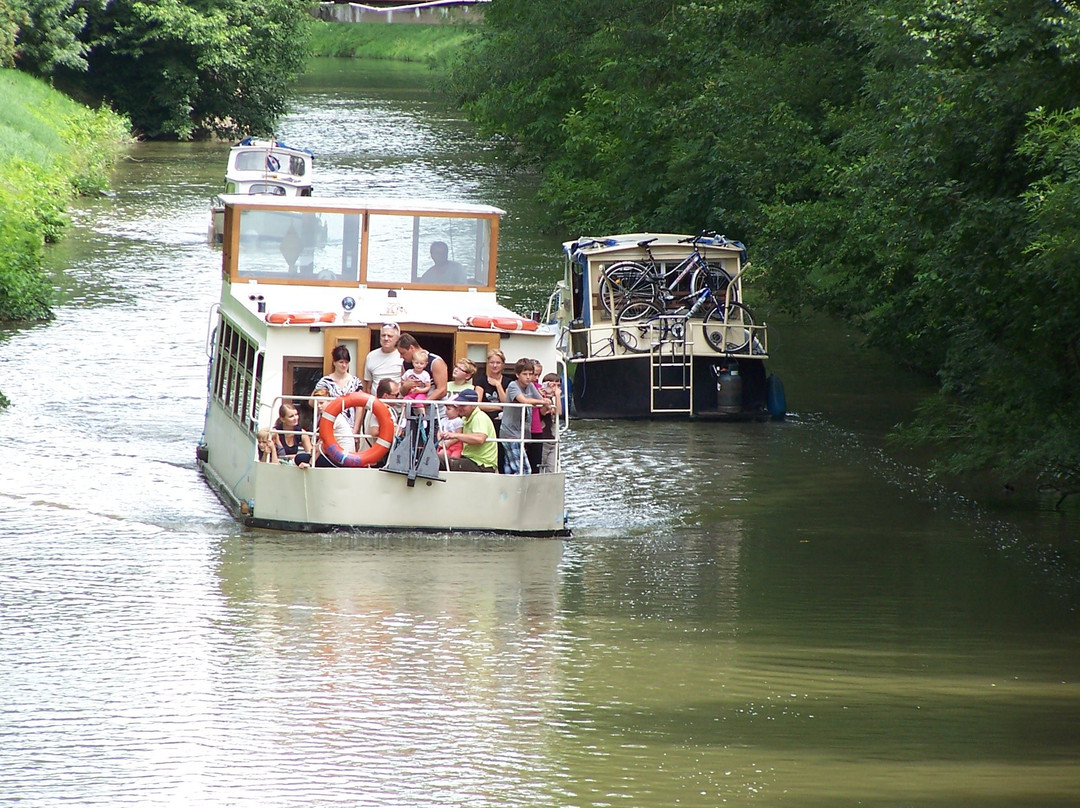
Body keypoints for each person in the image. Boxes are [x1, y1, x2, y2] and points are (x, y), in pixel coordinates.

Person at [499, 357, 550, 475]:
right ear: (517, 374)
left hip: (522, 433)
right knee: (524, 469)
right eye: (525, 374)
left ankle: (510, 490)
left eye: (530, 374)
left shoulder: (531, 386)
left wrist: (546, 403)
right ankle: (520, 491)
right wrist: (543, 402)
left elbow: (540, 401)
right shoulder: (513, 386)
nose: (528, 377)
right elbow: (524, 400)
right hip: (510, 433)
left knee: (511, 467)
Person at [437, 389, 498, 472]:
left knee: (437, 459)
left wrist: (455, 435)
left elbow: (480, 439)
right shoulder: (466, 418)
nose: (459, 407)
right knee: (437, 459)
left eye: (463, 405)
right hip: (473, 460)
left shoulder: (479, 417)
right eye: (459, 404)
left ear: (473, 405)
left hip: (481, 464)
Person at [474, 349, 508, 468]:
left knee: (501, 449)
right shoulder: (481, 380)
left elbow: (506, 403)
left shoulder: (508, 381)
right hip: (486, 421)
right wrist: (499, 407)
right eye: (492, 362)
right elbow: (477, 404)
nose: (495, 365)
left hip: (503, 422)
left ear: (503, 364)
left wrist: (498, 385)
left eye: (498, 362)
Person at [397, 333, 448, 405]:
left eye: (403, 353)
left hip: (436, 412)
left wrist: (422, 403)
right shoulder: (405, 364)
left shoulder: (435, 362)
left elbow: (442, 390)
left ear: (411, 348)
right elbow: (402, 392)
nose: (401, 356)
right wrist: (405, 386)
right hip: (413, 412)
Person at [362, 322, 402, 394]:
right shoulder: (371, 356)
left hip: (398, 403)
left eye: (390, 336)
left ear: (397, 338)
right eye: (383, 335)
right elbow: (368, 386)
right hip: (376, 403)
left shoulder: (402, 355)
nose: (386, 338)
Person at [273, 403, 312, 468]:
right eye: (291, 416)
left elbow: (310, 453)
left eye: (296, 415)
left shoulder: (302, 433)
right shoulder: (275, 432)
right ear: (282, 419)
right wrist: (295, 456)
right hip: (278, 466)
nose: (295, 418)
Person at [538, 373, 561, 473]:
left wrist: (557, 396)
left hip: (552, 440)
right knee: (540, 467)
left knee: (552, 469)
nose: (555, 389)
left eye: (558, 386)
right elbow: (543, 411)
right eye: (552, 385)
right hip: (543, 440)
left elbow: (559, 412)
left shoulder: (553, 400)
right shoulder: (541, 398)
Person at [526, 359, 546, 472]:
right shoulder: (521, 387)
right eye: (535, 374)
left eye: (539, 375)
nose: (536, 378)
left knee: (536, 462)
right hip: (524, 428)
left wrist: (547, 398)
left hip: (536, 428)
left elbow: (543, 411)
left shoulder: (539, 387)